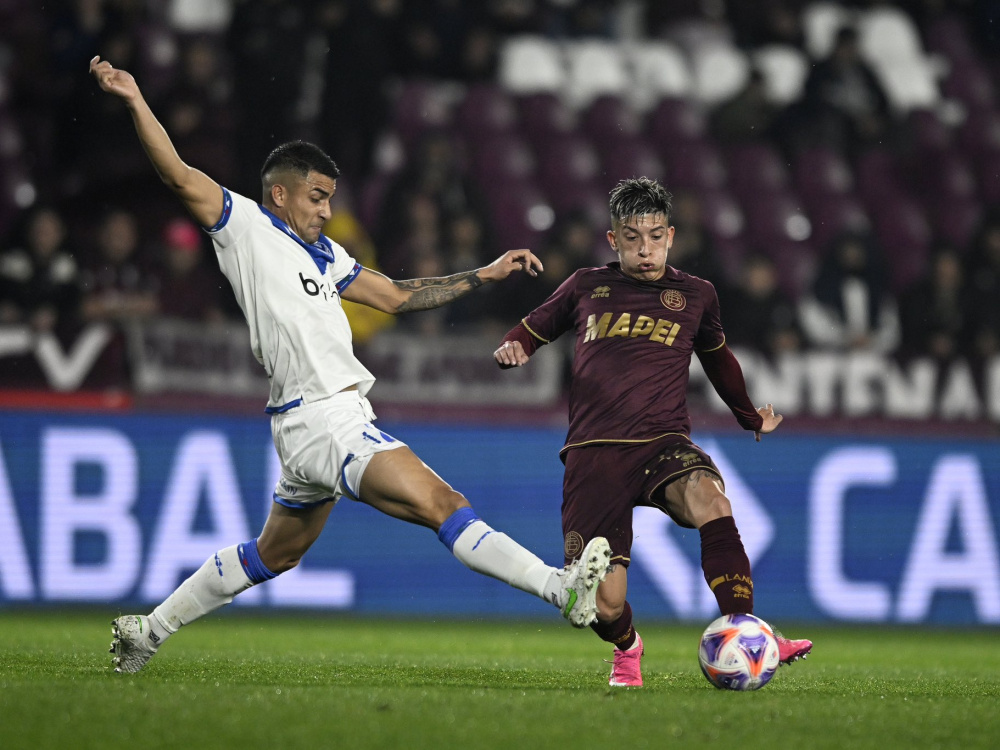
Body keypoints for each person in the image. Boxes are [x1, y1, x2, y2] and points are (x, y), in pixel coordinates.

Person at [89, 55, 612, 674]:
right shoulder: (245, 226)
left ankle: (148, 631)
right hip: (325, 419)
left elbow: (392, 295)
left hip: (313, 422)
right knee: (443, 503)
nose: (326, 211)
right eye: (316, 197)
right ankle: (561, 589)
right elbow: (177, 176)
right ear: (278, 192)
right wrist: (134, 100)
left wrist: (483, 274)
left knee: (274, 554)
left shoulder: (328, 254)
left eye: (330, 199)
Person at [494, 177, 812, 687]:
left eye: (656, 236)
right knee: (601, 601)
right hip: (593, 453)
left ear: (671, 236)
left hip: (663, 441)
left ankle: (749, 629)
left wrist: (749, 415)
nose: (646, 249)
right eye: (633, 237)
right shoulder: (583, 286)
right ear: (612, 239)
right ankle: (628, 646)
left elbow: (718, 360)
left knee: (712, 499)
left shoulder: (695, 294)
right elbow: (533, 327)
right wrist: (515, 346)